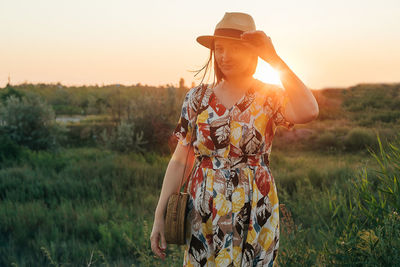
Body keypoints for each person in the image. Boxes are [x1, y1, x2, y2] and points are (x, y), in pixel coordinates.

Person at [150, 12, 319, 266]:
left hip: (255, 208)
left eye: (234, 49)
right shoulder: (197, 98)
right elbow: (179, 161)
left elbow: (309, 110)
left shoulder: (269, 96)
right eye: (219, 49)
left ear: (253, 53)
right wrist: (159, 214)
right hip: (205, 209)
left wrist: (273, 58)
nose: (225, 56)